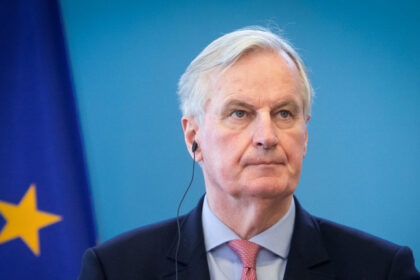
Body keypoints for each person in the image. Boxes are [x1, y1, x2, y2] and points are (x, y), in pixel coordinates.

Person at [78, 27, 420, 280]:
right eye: (239, 113)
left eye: (284, 113)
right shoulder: (116, 269)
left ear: (305, 135)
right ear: (193, 137)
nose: (266, 137)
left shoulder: (383, 270)